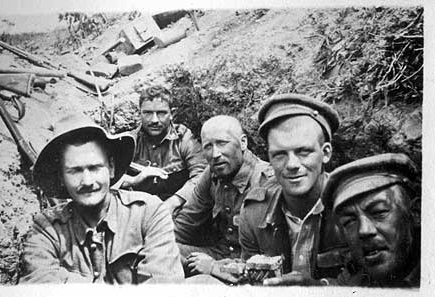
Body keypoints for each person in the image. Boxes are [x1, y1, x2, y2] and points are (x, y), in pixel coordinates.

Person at [19, 113, 184, 284]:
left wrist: (66, 281)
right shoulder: (47, 229)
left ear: (111, 168)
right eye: (75, 171)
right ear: (61, 177)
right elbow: (37, 282)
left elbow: (164, 285)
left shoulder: (148, 212)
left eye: (95, 168)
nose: (88, 181)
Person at [239, 93, 349, 286]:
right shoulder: (253, 214)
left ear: (325, 153)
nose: (292, 164)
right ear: (269, 158)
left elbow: (371, 282)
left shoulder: (351, 208)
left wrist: (318, 289)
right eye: (280, 154)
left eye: (303, 152)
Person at [174, 115, 273, 283]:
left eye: (222, 143)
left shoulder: (266, 182)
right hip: (217, 256)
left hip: (249, 270)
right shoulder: (212, 173)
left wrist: (215, 267)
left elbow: (271, 262)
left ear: (243, 142)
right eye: (208, 146)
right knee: (159, 249)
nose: (215, 154)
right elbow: (185, 225)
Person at [321, 153, 420, 287]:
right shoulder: (356, 276)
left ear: (415, 213)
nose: (364, 230)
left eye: (379, 212)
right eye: (349, 222)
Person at [120, 85, 207, 214]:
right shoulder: (130, 142)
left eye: (161, 113)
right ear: (140, 114)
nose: (154, 120)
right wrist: (135, 180)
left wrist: (173, 203)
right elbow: (108, 177)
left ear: (172, 113)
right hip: (139, 212)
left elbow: (202, 174)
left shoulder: (183, 138)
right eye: (148, 113)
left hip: (179, 211)